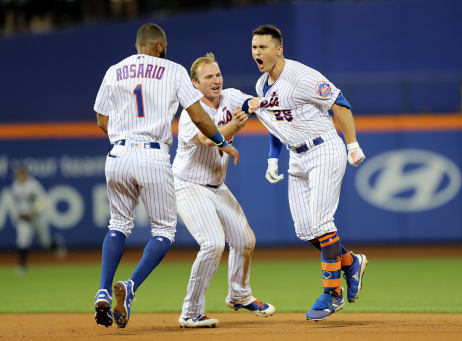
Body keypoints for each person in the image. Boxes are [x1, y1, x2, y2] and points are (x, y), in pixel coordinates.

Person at [93, 23, 239, 329]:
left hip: (117, 153)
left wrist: (123, 136)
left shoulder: (113, 70)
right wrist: (223, 142)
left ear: (138, 46)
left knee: (118, 224)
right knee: (163, 231)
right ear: (159, 45)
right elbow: (199, 115)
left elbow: (101, 120)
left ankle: (103, 289)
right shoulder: (173, 70)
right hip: (152, 153)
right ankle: (130, 287)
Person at [244, 25, 368, 321]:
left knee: (321, 221)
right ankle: (350, 262)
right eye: (254, 47)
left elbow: (340, 103)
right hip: (296, 157)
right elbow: (276, 124)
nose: (257, 53)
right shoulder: (262, 86)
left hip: (323, 148)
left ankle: (332, 293)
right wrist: (273, 158)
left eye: (263, 47)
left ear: (279, 49)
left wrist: (352, 144)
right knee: (305, 229)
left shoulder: (301, 76)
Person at [172, 53, 275, 328]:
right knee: (213, 243)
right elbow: (207, 138)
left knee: (244, 240)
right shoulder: (189, 113)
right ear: (195, 83)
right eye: (208, 77)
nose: (215, 80)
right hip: (189, 185)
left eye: (217, 74)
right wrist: (232, 128)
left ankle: (239, 295)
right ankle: (190, 311)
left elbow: (251, 102)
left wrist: (265, 101)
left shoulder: (228, 96)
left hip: (216, 186)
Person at [11, 166, 66, 275]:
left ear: (26, 174)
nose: (20, 176)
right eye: (18, 174)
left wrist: (34, 212)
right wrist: (16, 216)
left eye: (22, 174)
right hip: (24, 219)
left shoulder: (33, 185)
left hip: (37, 218)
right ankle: (22, 266)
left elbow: (43, 200)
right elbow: (14, 205)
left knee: (45, 242)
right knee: (23, 240)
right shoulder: (15, 186)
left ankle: (57, 245)